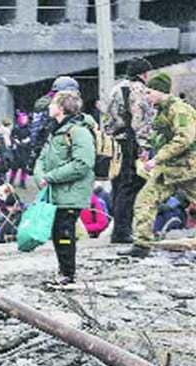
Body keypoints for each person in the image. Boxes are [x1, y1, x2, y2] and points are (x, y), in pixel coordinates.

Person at [122, 73, 196, 257]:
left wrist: (158, 158)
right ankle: (141, 244)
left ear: (160, 91)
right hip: (168, 171)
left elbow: (184, 139)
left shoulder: (180, 110)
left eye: (149, 92)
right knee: (144, 201)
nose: (146, 97)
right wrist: (148, 152)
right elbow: (160, 137)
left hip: (187, 169)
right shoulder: (162, 111)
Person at [34, 90, 95, 287]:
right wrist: (40, 176)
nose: (49, 107)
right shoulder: (56, 131)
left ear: (61, 108)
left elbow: (83, 163)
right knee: (58, 231)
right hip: (58, 193)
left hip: (72, 193)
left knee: (64, 231)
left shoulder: (78, 132)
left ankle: (68, 273)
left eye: (52, 104)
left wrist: (50, 177)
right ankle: (64, 270)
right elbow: (41, 159)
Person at [102, 58, 156, 244]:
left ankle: (118, 229)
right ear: (143, 74)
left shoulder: (116, 89)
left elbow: (107, 119)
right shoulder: (138, 90)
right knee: (131, 185)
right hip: (130, 143)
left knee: (118, 186)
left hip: (115, 142)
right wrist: (144, 147)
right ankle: (123, 231)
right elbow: (140, 121)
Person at [9, 112, 33, 187]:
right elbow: (12, 137)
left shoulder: (28, 128)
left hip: (25, 150)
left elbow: (31, 137)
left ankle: (22, 182)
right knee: (14, 168)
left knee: (24, 168)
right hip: (17, 151)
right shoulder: (16, 128)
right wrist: (16, 141)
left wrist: (27, 140)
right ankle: (11, 181)